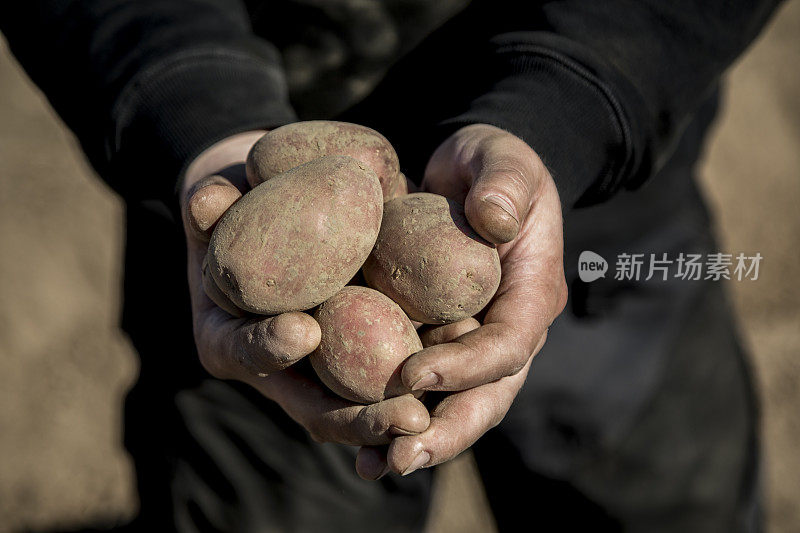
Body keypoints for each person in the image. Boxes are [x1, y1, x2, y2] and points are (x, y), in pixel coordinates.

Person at [1, 0, 781, 531]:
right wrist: (192, 103)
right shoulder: (288, 191)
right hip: (227, 159)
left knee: (658, 501)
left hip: (590, 168)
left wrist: (571, 103)